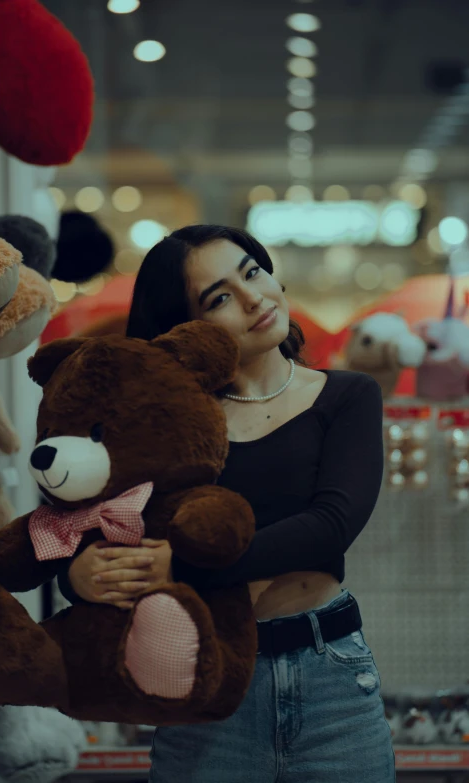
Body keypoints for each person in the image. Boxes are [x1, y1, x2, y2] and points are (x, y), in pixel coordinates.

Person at [57, 225, 395, 782]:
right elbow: (103, 528)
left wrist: (180, 565)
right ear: (187, 327)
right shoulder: (170, 424)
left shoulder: (348, 396)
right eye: (219, 298)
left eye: (252, 272)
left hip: (330, 675)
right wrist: (81, 573)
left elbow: (329, 527)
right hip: (203, 681)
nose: (253, 298)